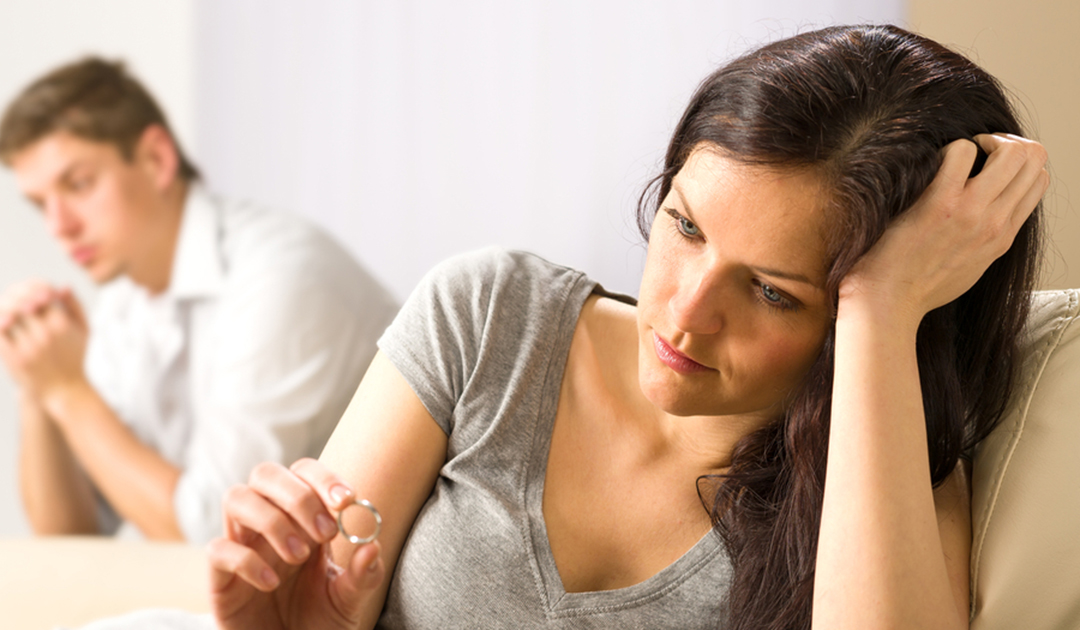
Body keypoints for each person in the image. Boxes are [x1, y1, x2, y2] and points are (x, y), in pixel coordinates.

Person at [82, 23, 1050, 630]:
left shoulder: (884, 479)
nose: (684, 313)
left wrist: (882, 308)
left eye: (771, 291)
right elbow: (321, 609)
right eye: (685, 226)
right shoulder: (489, 317)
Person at [0, 58, 399, 544]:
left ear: (157, 159)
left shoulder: (280, 280)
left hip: (373, 578)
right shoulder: (122, 300)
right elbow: (71, 537)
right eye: (40, 204)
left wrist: (69, 392)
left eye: (78, 185)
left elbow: (213, 537)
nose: (59, 226)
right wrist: (38, 387)